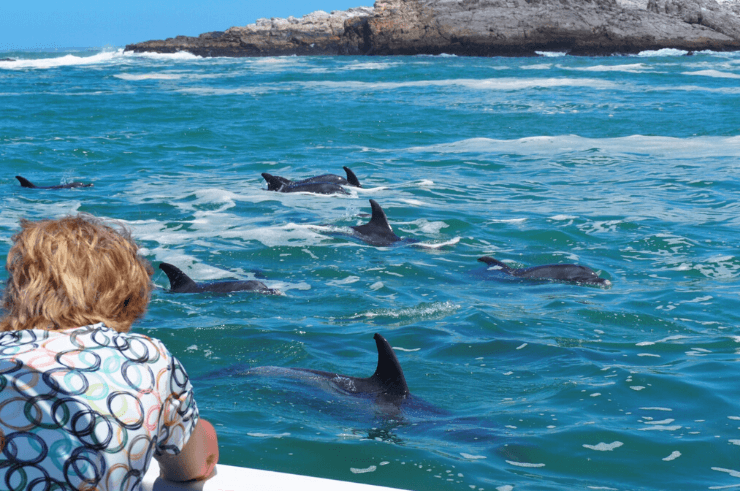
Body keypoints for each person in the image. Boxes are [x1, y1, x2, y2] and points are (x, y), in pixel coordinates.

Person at [0, 214, 218, 490]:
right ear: (128, 289)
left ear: (18, 287)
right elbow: (191, 470)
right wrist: (198, 430)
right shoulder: (149, 358)